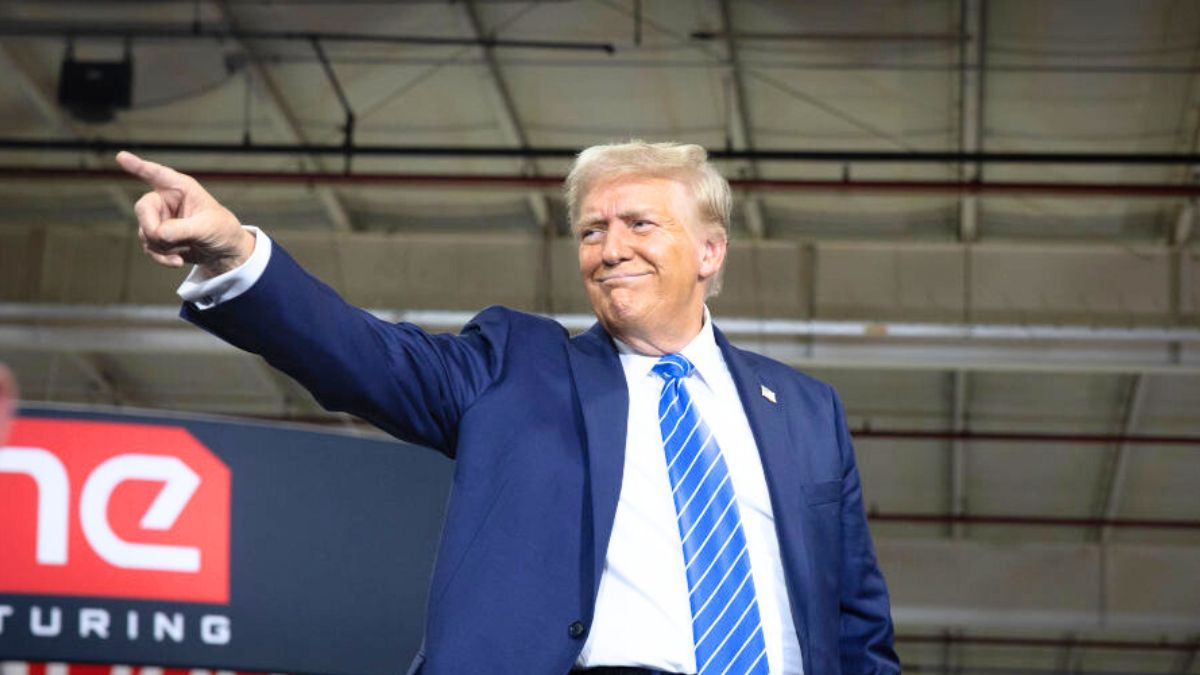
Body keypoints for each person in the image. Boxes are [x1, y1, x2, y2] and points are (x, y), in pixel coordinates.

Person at [117, 142, 899, 675]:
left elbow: (859, 625)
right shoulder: (520, 368)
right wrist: (234, 255)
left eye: (639, 223)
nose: (610, 246)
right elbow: (362, 356)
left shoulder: (805, 409)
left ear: (710, 250)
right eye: (591, 229)